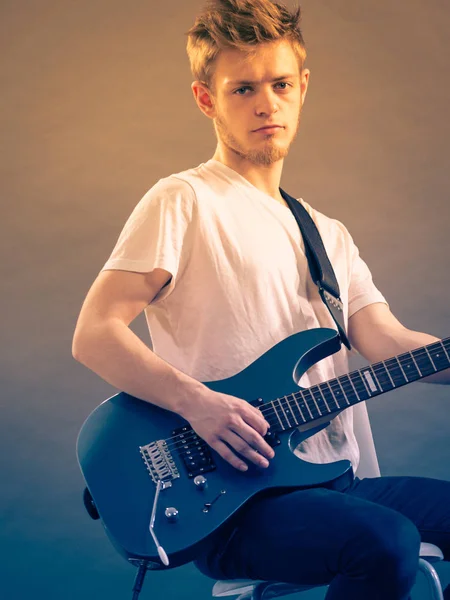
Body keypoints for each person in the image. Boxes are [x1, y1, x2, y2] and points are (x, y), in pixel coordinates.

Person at [72, 1, 450, 598]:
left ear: (302, 87)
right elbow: (94, 332)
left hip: (335, 480)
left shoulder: (327, 234)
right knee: (388, 541)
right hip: (234, 497)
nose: (265, 103)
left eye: (279, 84)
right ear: (207, 100)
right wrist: (200, 406)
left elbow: (388, 342)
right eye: (242, 88)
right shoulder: (184, 201)